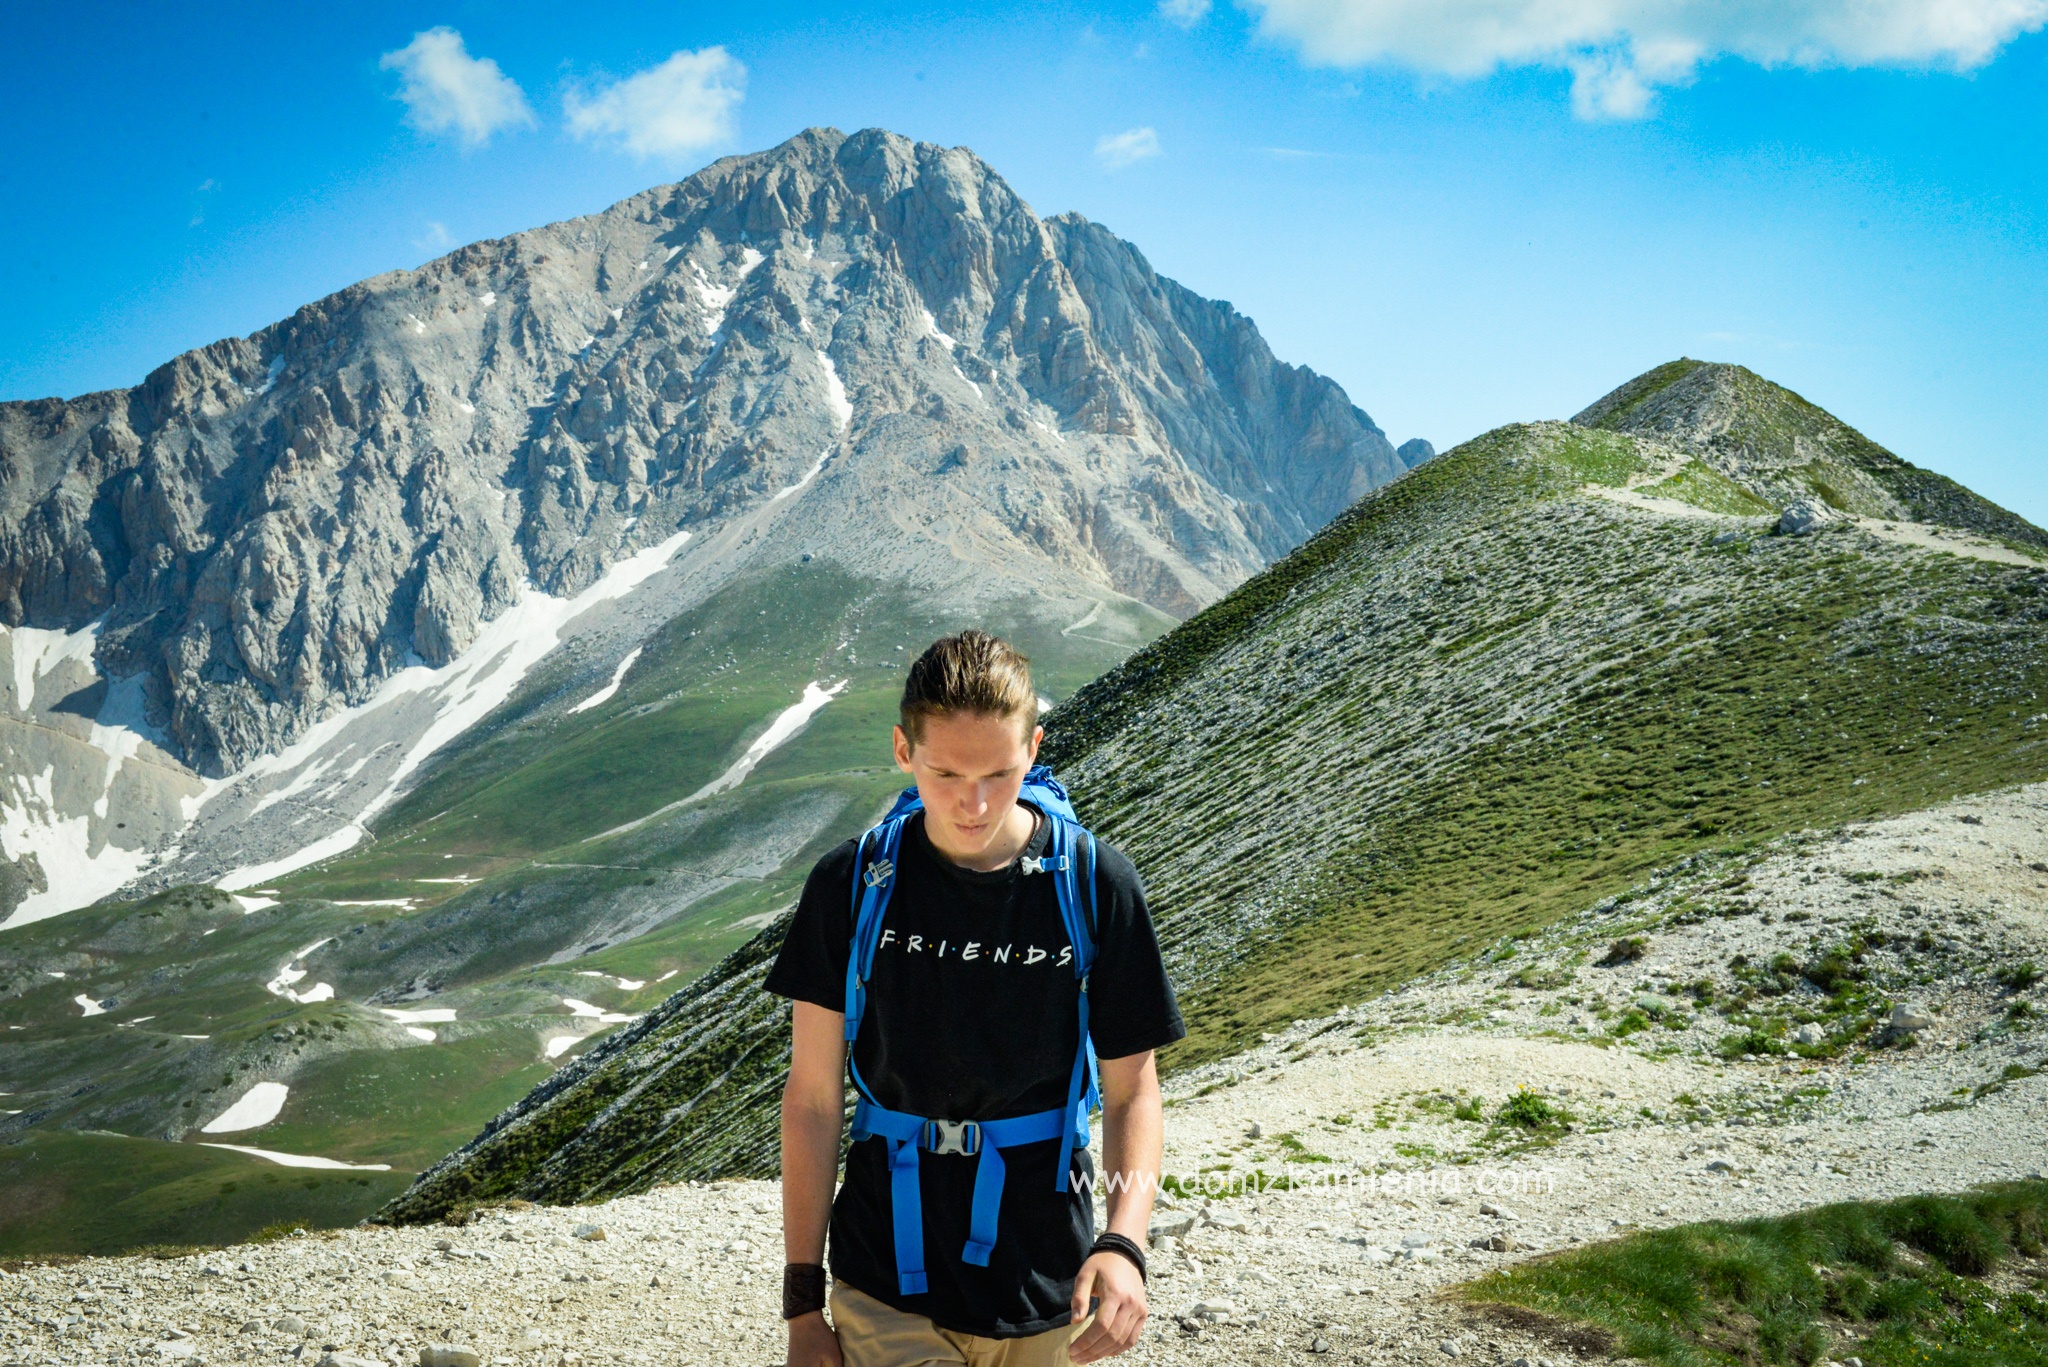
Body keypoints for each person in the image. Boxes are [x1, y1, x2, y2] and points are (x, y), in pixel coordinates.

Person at [766, 629, 1185, 1367]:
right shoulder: (850, 885)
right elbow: (812, 1098)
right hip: (881, 1276)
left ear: (1035, 748)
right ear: (903, 751)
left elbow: (1131, 1094)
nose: (975, 801)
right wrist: (802, 1301)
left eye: (999, 771)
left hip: (1050, 1285)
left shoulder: (1095, 884)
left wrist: (1125, 1241)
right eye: (946, 773)